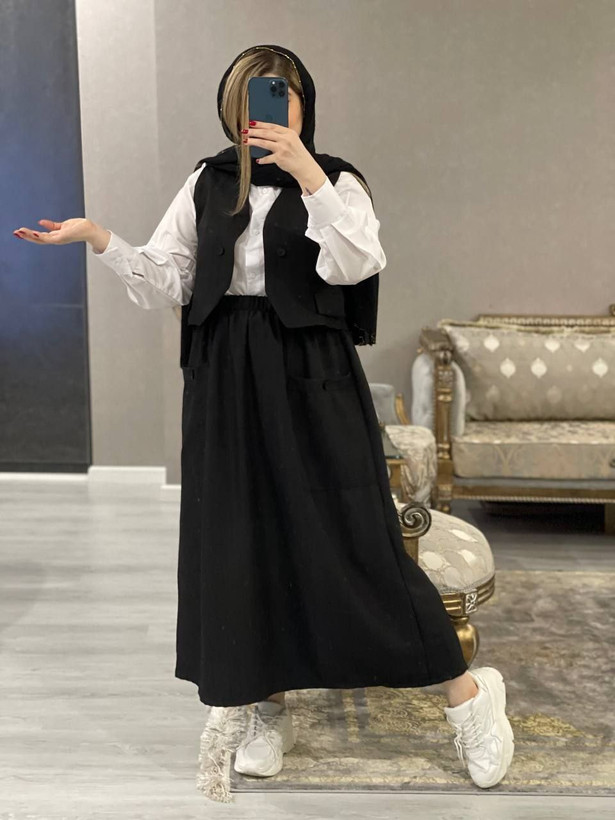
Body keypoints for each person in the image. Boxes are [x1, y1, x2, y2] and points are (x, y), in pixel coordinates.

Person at [12, 43, 513, 793]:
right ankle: (266, 705)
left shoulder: (337, 181)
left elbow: (357, 262)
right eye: (249, 98)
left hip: (312, 372)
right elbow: (171, 279)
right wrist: (98, 238)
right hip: (224, 375)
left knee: (354, 542)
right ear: (229, 110)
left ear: (303, 103)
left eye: (280, 94)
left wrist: (308, 173)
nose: (265, 111)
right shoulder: (207, 182)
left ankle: (469, 698)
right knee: (241, 545)